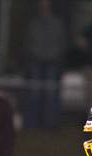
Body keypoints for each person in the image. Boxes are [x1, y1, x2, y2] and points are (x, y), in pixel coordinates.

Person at [24, 0, 67, 129]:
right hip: (36, 61)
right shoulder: (33, 24)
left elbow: (62, 43)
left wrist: (57, 57)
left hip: (52, 62)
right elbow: (28, 42)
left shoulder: (58, 24)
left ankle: (51, 124)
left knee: (51, 94)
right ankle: (32, 124)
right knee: (34, 93)